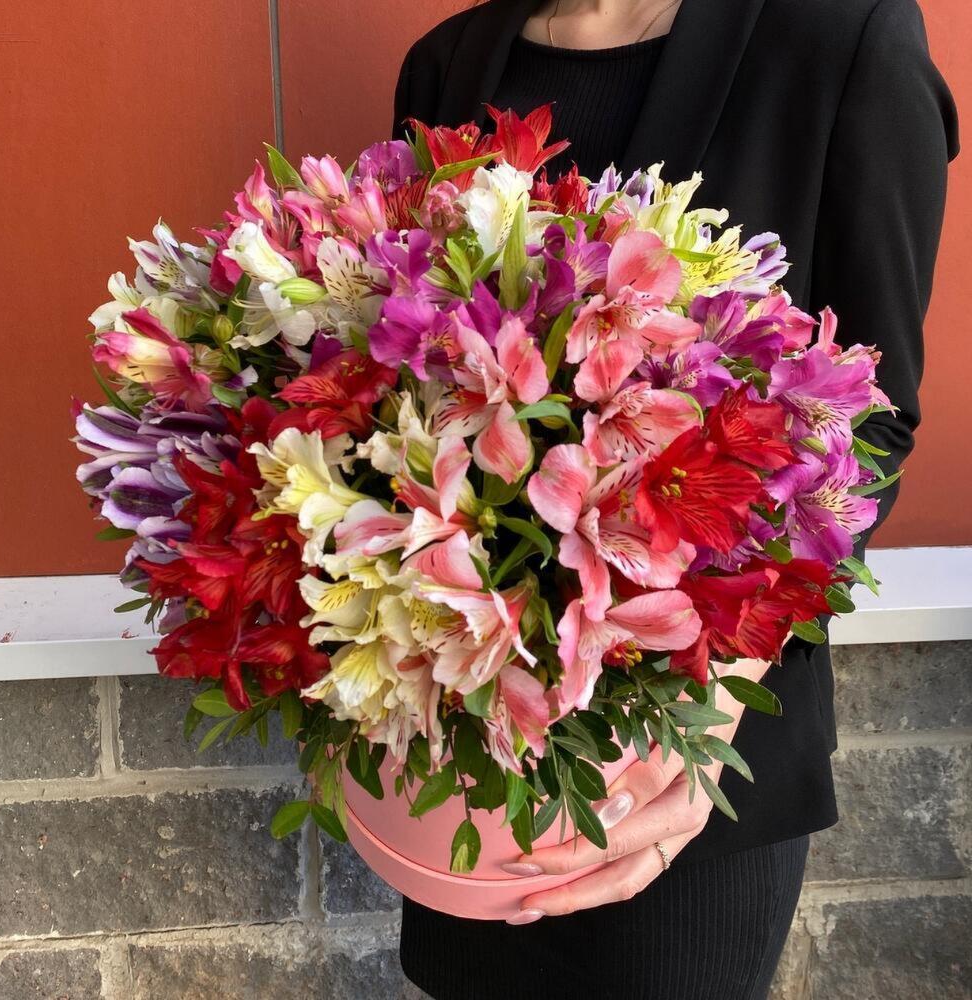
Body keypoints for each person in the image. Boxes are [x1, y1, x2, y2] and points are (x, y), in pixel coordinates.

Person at [389, 1, 960, 997]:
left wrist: (710, 704)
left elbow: (868, 428)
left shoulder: (842, 42)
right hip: (476, 757)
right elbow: (405, 366)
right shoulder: (448, 63)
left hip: (688, 770)